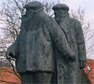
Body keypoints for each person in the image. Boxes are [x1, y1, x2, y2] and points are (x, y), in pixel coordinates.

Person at [6, 1, 75, 84]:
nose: (26, 12)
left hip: (42, 63)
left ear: (35, 10)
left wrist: (68, 53)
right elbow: (20, 39)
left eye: (28, 10)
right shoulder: (26, 23)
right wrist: (11, 48)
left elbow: (58, 37)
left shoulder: (46, 19)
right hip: (25, 64)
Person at [52, 4, 86, 84]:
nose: (55, 12)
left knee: (71, 79)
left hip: (72, 58)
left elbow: (80, 42)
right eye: (54, 10)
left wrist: (82, 58)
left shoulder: (75, 23)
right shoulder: (51, 23)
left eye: (57, 10)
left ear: (64, 11)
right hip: (54, 58)